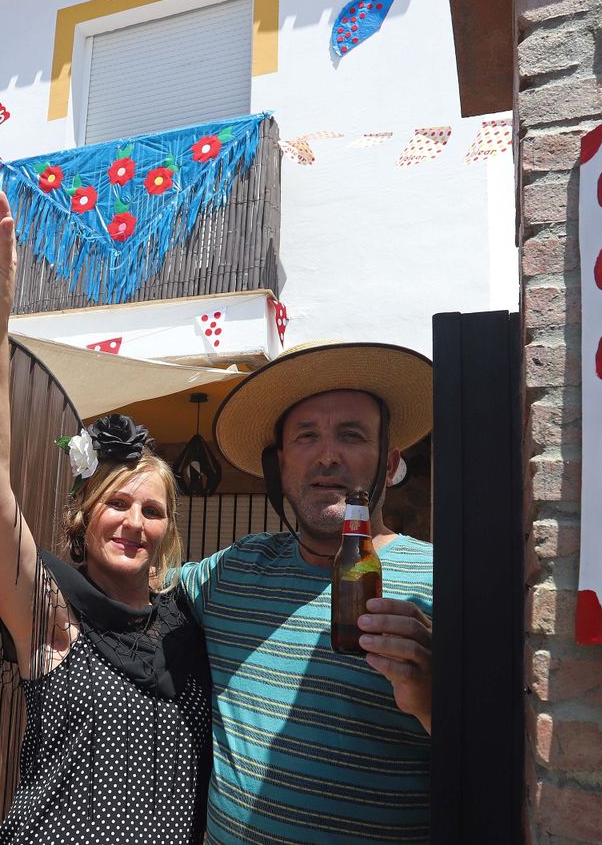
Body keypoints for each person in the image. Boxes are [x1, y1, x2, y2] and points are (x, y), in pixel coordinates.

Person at [0, 191, 212, 845]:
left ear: (166, 533)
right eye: (117, 502)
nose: (133, 520)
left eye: (151, 510)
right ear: (84, 517)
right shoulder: (53, 613)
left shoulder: (189, 629)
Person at [179, 342, 436, 843]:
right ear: (281, 465)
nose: (328, 454)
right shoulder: (232, 571)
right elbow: (137, 590)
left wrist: (434, 703)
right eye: (307, 436)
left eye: (352, 434)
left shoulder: (447, 582)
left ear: (388, 463)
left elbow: (512, 774)